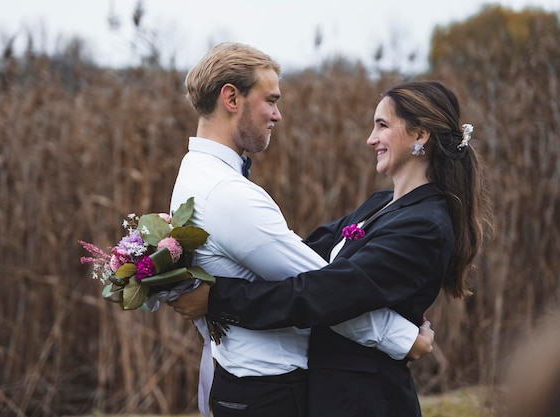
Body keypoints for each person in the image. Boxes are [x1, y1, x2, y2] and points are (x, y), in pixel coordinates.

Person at [171, 80, 494, 417]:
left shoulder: (424, 226)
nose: (371, 139)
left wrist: (220, 298)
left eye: (382, 126)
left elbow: (321, 293)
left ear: (419, 135)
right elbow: (304, 253)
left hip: (365, 399)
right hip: (333, 392)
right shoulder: (382, 203)